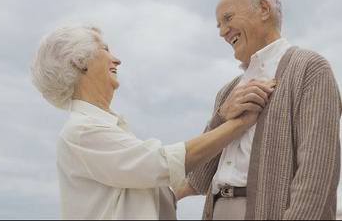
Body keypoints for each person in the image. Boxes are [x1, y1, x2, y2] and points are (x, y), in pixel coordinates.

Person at [30, 25, 275, 220]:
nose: (116, 60)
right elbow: (160, 164)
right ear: (79, 61)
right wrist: (240, 123)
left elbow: (157, 182)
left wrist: (222, 119)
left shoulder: (103, 128)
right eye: (105, 49)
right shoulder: (82, 131)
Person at [177, 0, 341, 220]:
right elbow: (200, 178)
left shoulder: (309, 68)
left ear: (264, 9)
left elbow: (317, 171)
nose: (222, 32)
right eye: (219, 25)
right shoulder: (228, 91)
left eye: (228, 18)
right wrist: (222, 116)